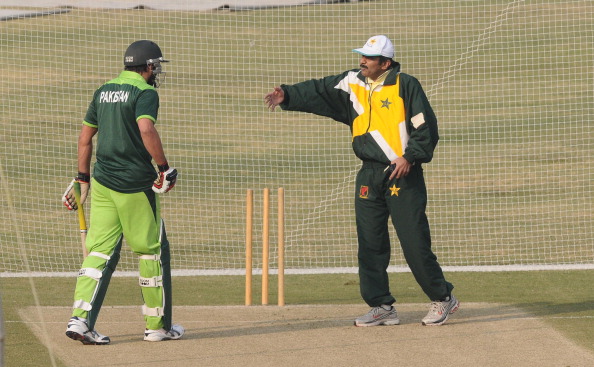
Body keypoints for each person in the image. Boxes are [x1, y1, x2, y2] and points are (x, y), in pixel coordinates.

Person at [265, 35, 459, 326]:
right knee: (370, 242)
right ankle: (381, 306)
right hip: (368, 174)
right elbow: (319, 90)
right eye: (362, 56)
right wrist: (288, 95)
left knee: (414, 242)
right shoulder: (352, 82)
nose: (362, 61)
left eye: (369, 57)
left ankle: (443, 299)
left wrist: (411, 157)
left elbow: (426, 126)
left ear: (386, 63)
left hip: (402, 174)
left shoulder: (406, 85)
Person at [61, 40, 184, 344]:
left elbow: (85, 138)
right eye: (155, 66)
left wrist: (82, 179)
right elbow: (146, 129)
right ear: (148, 67)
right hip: (135, 185)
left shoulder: (103, 90)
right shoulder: (145, 92)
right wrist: (164, 167)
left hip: (103, 183)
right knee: (151, 251)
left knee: (98, 251)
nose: (156, 72)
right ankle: (157, 326)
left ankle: (80, 321)